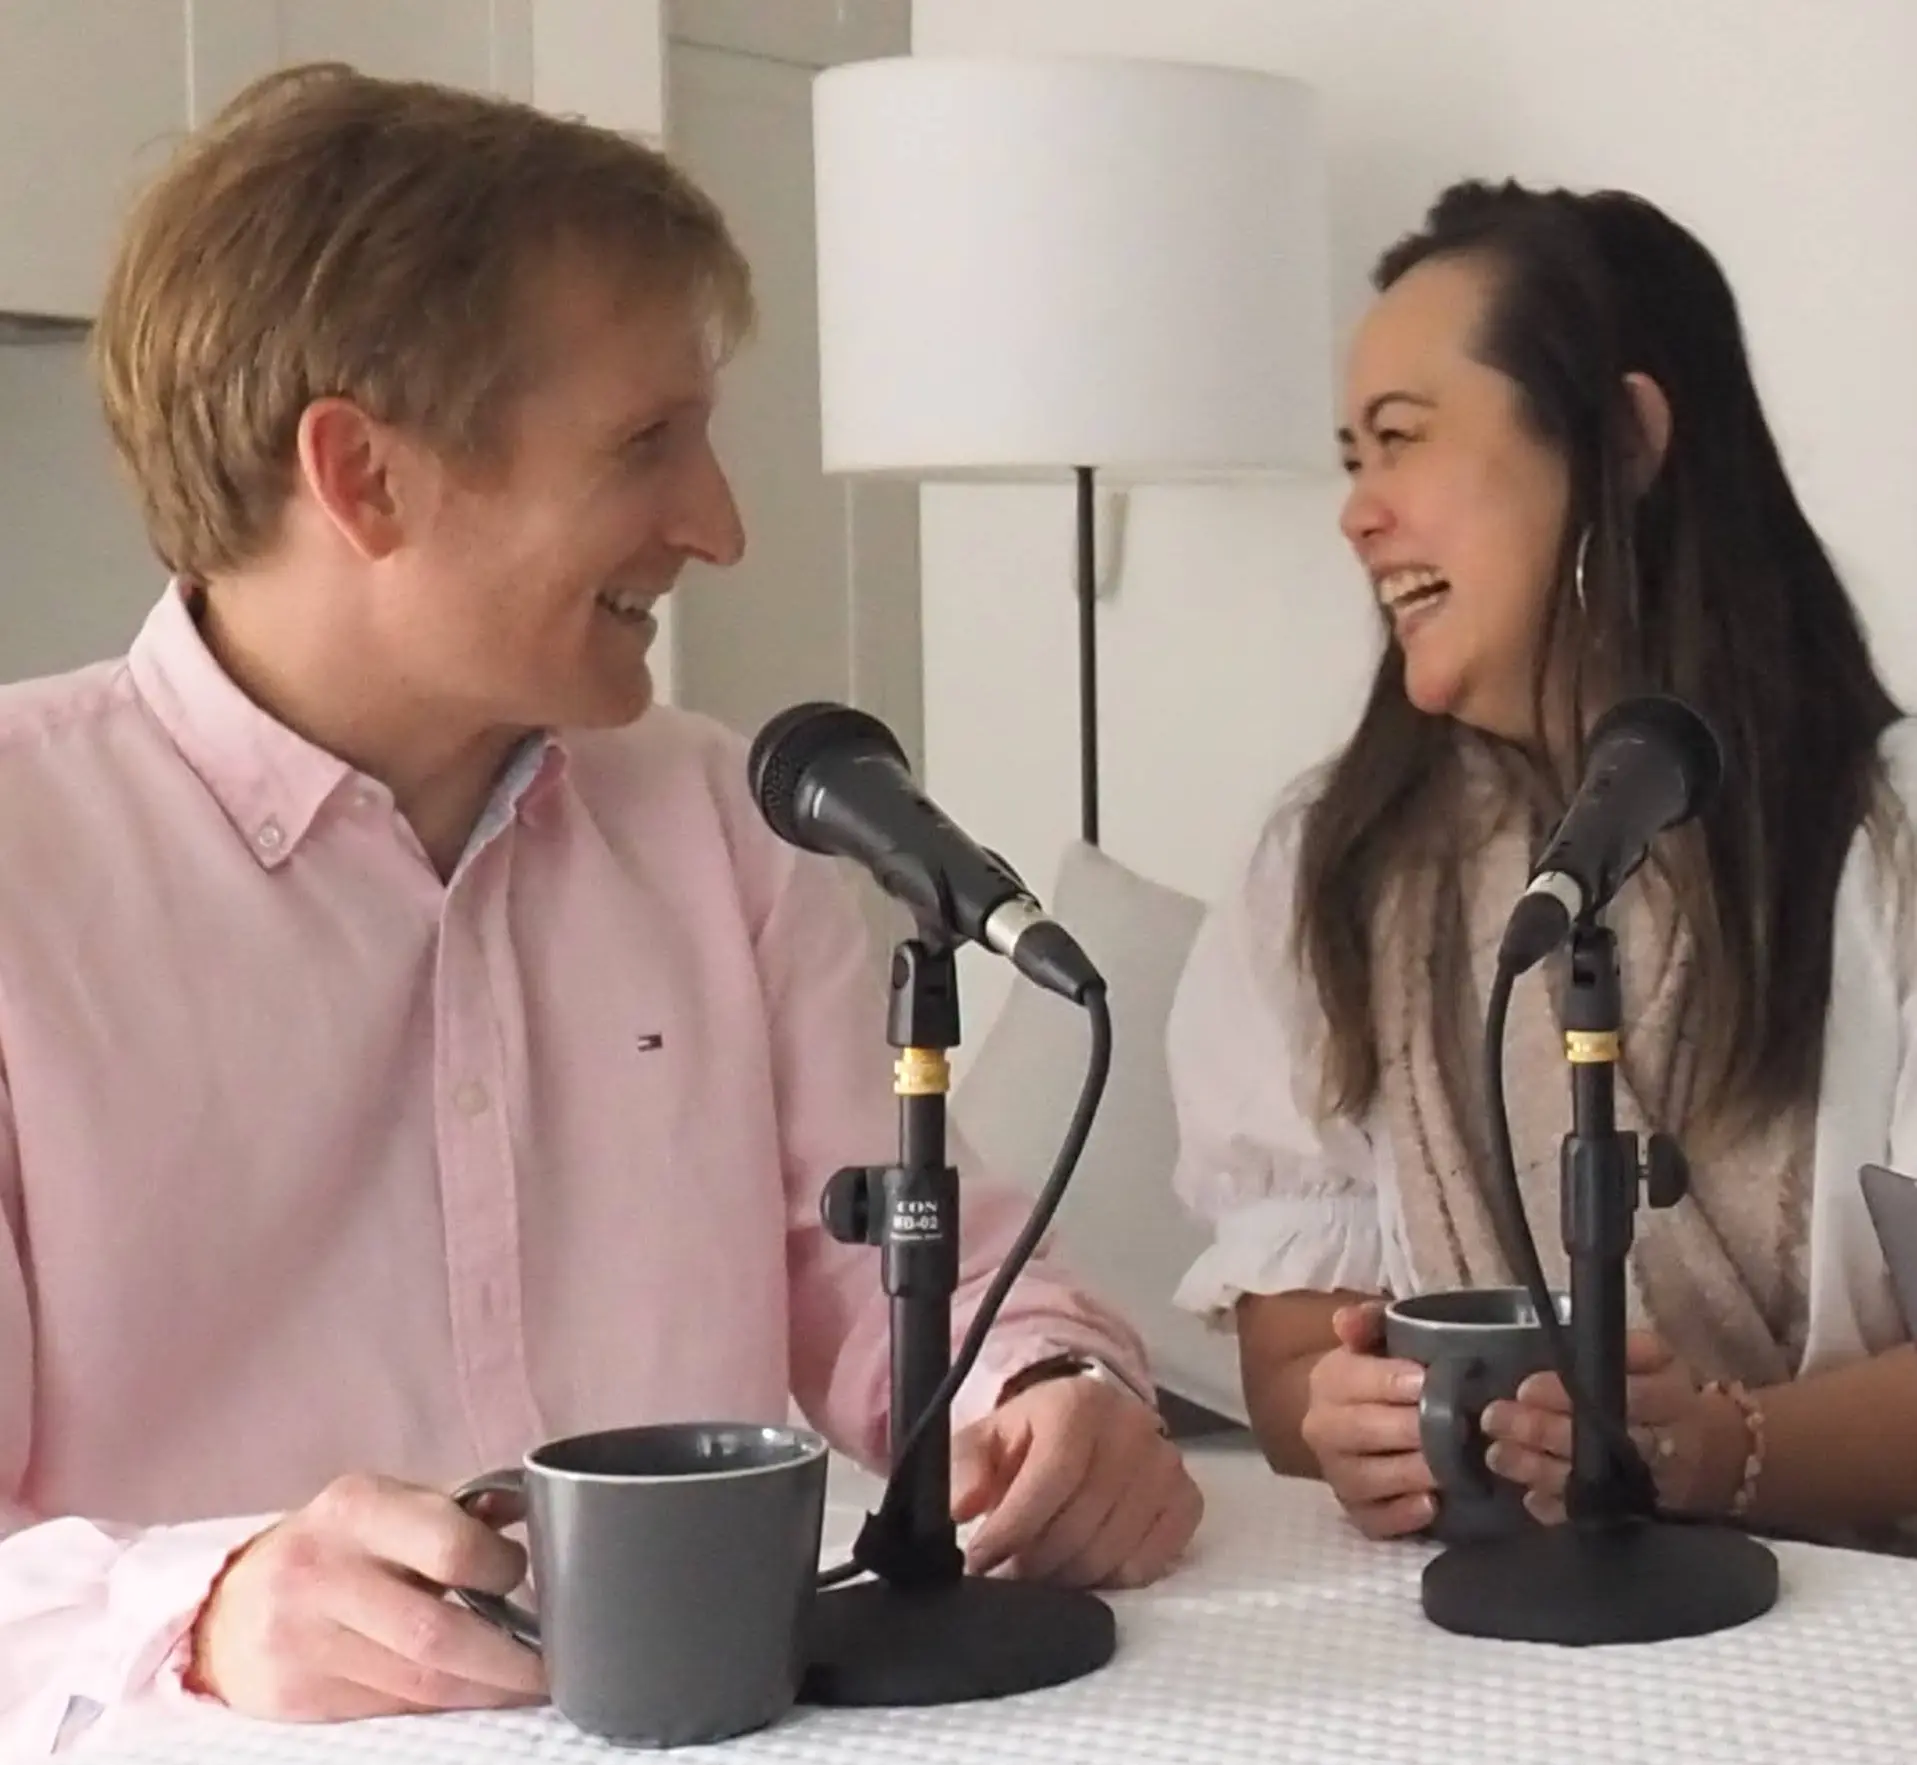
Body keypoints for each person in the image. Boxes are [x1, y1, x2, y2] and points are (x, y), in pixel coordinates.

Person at [0, 64, 1202, 1753]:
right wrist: (208, 1610)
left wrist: (1054, 1385)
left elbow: (909, 1264)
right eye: (647, 444)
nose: (720, 527)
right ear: (364, 477)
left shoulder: (722, 820)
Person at [1168, 176, 1917, 1549]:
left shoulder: (1890, 842)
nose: (1358, 514)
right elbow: (1290, 1352)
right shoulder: (1326, 869)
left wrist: (1721, 1453)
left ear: (1623, 441)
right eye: (1352, 458)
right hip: (1461, 1625)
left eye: (1402, 441)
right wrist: (1344, 1417)